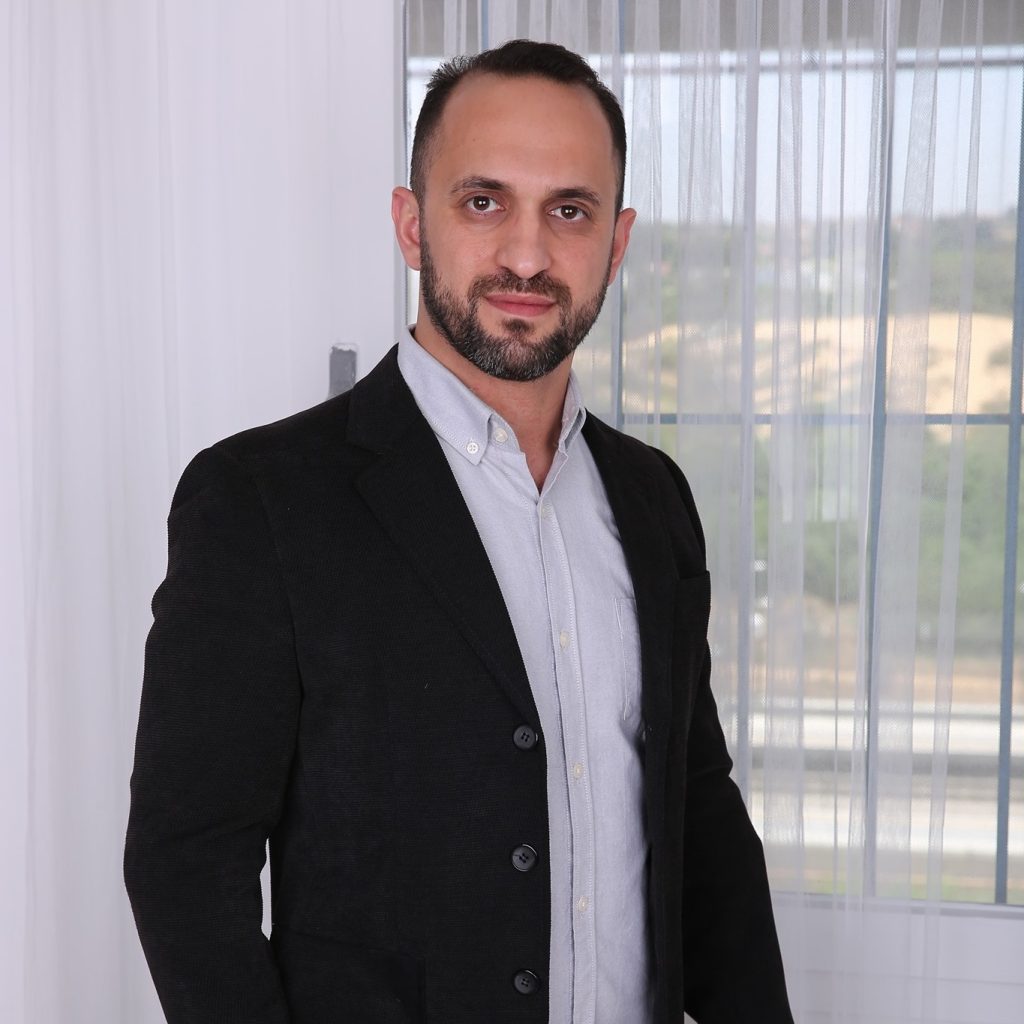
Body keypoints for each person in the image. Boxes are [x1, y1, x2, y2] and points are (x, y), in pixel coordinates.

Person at [125, 39, 793, 1024]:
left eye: (570, 210)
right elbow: (187, 864)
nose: (526, 255)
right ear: (412, 224)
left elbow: (695, 805)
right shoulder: (260, 500)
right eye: (483, 202)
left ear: (616, 243)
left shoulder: (654, 499)